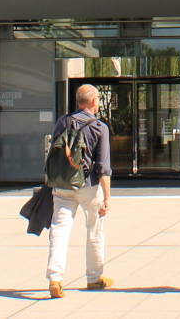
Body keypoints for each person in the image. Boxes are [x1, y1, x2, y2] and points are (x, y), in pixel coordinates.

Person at [45, 84, 113, 299]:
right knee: (94, 230)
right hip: (88, 187)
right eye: (99, 98)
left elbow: (54, 153)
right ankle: (94, 278)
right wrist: (107, 197)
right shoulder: (99, 127)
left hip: (63, 185)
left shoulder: (62, 121)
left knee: (59, 229)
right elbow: (103, 167)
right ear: (93, 101)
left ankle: (55, 278)